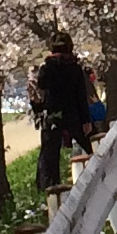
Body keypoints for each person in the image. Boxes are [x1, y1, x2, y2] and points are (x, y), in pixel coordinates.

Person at [31, 30, 99, 194]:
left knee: (49, 156)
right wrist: (86, 121)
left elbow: (39, 91)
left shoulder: (46, 68)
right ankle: (103, 173)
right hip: (74, 114)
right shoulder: (74, 68)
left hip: (52, 116)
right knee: (94, 147)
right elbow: (81, 96)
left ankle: (49, 191)